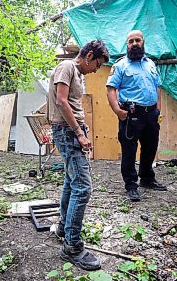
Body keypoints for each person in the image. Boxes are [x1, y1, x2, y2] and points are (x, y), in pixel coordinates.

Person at [47, 40, 109, 271]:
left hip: (71, 130)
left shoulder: (76, 73)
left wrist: (82, 128)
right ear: (89, 55)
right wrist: (78, 133)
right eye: (97, 64)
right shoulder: (66, 67)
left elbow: (71, 103)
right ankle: (72, 246)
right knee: (83, 187)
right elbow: (61, 102)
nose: (95, 70)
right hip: (66, 131)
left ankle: (64, 228)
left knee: (72, 183)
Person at [106, 30, 167, 202]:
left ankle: (147, 179)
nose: (134, 43)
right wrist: (118, 111)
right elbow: (111, 89)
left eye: (137, 40)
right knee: (129, 150)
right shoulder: (120, 66)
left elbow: (158, 87)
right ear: (127, 44)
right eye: (131, 41)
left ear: (143, 42)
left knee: (150, 147)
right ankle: (131, 185)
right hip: (131, 114)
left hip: (151, 114)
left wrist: (158, 111)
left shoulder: (151, 64)